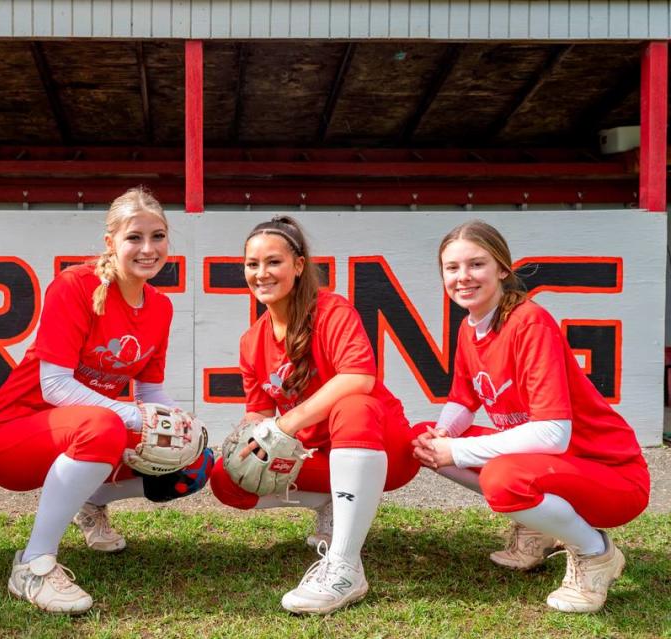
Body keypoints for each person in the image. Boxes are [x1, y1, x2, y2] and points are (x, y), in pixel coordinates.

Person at [0, 187, 212, 615]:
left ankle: (92, 502)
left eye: (158, 236)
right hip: (12, 436)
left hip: (81, 435)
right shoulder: (77, 285)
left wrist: (175, 417)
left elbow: (149, 390)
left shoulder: (159, 307)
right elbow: (54, 387)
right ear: (111, 243)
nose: (148, 248)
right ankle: (33, 565)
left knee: (195, 462)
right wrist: (132, 415)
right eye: (134, 238)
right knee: (105, 427)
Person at [412, 219, 649, 613]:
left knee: (502, 478)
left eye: (476, 264)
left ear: (502, 269)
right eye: (452, 268)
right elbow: (465, 399)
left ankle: (595, 553)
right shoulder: (471, 327)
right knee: (422, 439)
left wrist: (457, 449)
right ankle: (540, 525)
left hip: (612, 475)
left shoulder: (529, 322)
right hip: (554, 466)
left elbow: (553, 434)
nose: (463, 277)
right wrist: (441, 435)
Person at [209, 215, 420, 615]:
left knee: (353, 406)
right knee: (227, 478)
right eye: (252, 264)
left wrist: (286, 423)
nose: (261, 273)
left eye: (274, 262)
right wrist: (241, 441)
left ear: (298, 266)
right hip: (320, 457)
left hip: (384, 449)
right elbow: (258, 411)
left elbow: (358, 377)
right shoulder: (251, 340)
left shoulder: (331, 310)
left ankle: (344, 567)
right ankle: (332, 504)